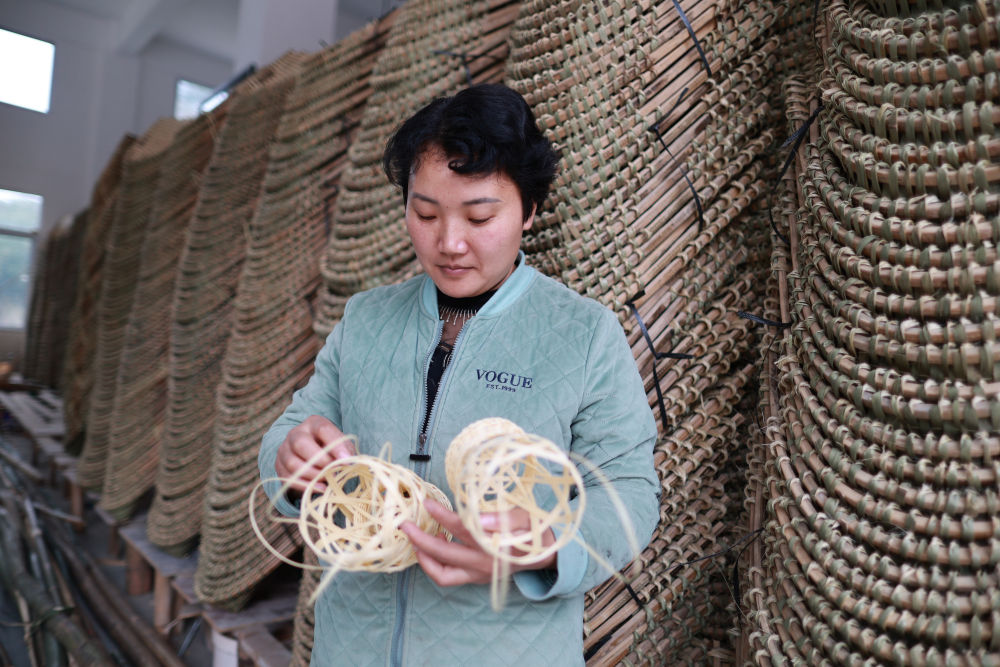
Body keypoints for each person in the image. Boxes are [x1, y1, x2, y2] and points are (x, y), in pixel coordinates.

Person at [258, 83, 658, 666]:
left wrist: (537, 550)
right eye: (425, 213)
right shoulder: (367, 319)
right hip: (351, 648)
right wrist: (291, 458)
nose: (448, 243)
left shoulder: (584, 334)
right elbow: (295, 427)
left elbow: (629, 496)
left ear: (530, 209)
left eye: (479, 215)